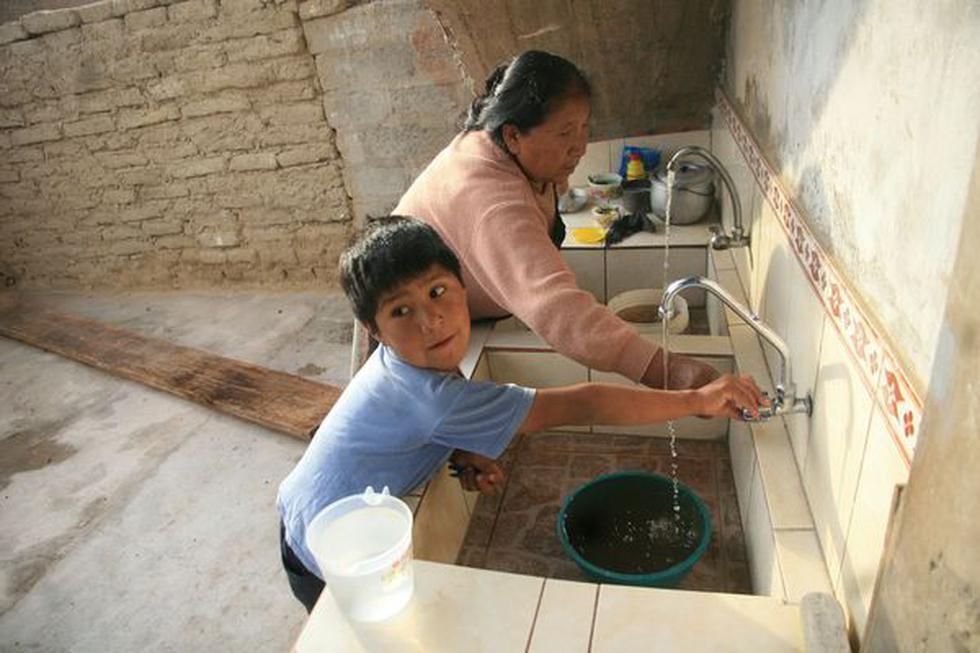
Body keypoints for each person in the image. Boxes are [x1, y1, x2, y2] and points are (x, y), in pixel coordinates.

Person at [276, 216, 766, 612]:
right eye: (401, 312)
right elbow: (585, 403)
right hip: (326, 549)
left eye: (437, 292)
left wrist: (465, 448)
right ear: (374, 330)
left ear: (462, 287)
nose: (431, 320)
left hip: (307, 502)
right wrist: (695, 401)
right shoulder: (437, 398)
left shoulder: (406, 372)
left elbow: (412, 428)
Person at [394, 50, 718, 390]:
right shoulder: (493, 200)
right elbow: (558, 311)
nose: (579, 145)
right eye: (565, 132)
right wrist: (673, 372)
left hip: (455, 309)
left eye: (583, 126)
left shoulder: (512, 152)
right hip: (413, 331)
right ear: (513, 136)